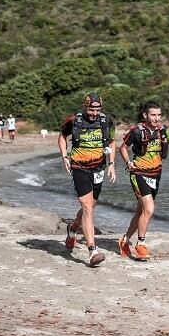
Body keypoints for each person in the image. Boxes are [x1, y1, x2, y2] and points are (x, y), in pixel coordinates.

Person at [117, 101, 169, 261]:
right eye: (153, 115)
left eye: (159, 115)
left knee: (141, 212)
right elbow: (123, 147)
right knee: (150, 209)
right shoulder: (136, 131)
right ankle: (141, 244)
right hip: (138, 172)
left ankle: (124, 240)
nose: (157, 118)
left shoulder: (165, 130)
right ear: (145, 115)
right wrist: (128, 163)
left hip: (156, 174)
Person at [58, 93, 116, 266]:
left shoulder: (106, 121)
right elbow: (62, 137)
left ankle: (73, 228)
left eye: (98, 109)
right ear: (85, 107)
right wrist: (64, 157)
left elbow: (112, 141)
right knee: (87, 207)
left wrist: (111, 163)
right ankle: (92, 251)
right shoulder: (74, 120)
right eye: (91, 109)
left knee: (91, 206)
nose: (94, 113)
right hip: (79, 167)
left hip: (98, 168)